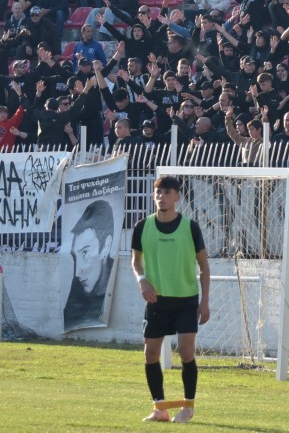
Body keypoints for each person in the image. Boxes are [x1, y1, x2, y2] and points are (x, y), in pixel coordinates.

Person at [133, 175, 210, 424]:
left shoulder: (191, 227)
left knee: (186, 352)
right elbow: (136, 260)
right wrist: (142, 279)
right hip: (157, 301)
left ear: (177, 196)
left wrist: (205, 301)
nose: (161, 197)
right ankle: (160, 408)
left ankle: (188, 407)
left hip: (186, 300)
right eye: (158, 192)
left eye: (167, 192)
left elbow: (204, 266)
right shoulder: (142, 226)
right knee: (150, 354)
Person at [64, 199, 116, 331]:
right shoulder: (77, 288)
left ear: (106, 247)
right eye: (75, 256)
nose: (77, 272)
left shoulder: (119, 279)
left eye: (85, 253)